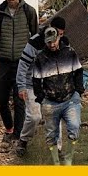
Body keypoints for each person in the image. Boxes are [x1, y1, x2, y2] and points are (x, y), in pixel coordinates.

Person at [0, 0, 39, 149]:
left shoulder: (29, 11)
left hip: (23, 64)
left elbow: (36, 37)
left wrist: (36, 60)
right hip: (4, 63)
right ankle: (9, 128)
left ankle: (18, 136)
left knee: (19, 100)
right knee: (1, 99)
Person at [30, 24, 85, 165]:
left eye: (54, 41)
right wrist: (41, 97)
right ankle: (56, 163)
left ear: (58, 38)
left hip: (70, 99)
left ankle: (68, 160)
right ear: (45, 42)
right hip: (50, 102)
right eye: (49, 42)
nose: (52, 44)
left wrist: (79, 91)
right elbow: (36, 80)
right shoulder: (40, 58)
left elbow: (78, 71)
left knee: (74, 127)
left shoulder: (70, 53)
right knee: (51, 135)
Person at [13, 15, 67, 157]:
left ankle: (57, 148)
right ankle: (23, 140)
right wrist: (21, 86)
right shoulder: (35, 42)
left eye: (60, 35)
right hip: (32, 84)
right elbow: (23, 65)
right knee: (34, 117)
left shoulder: (63, 44)